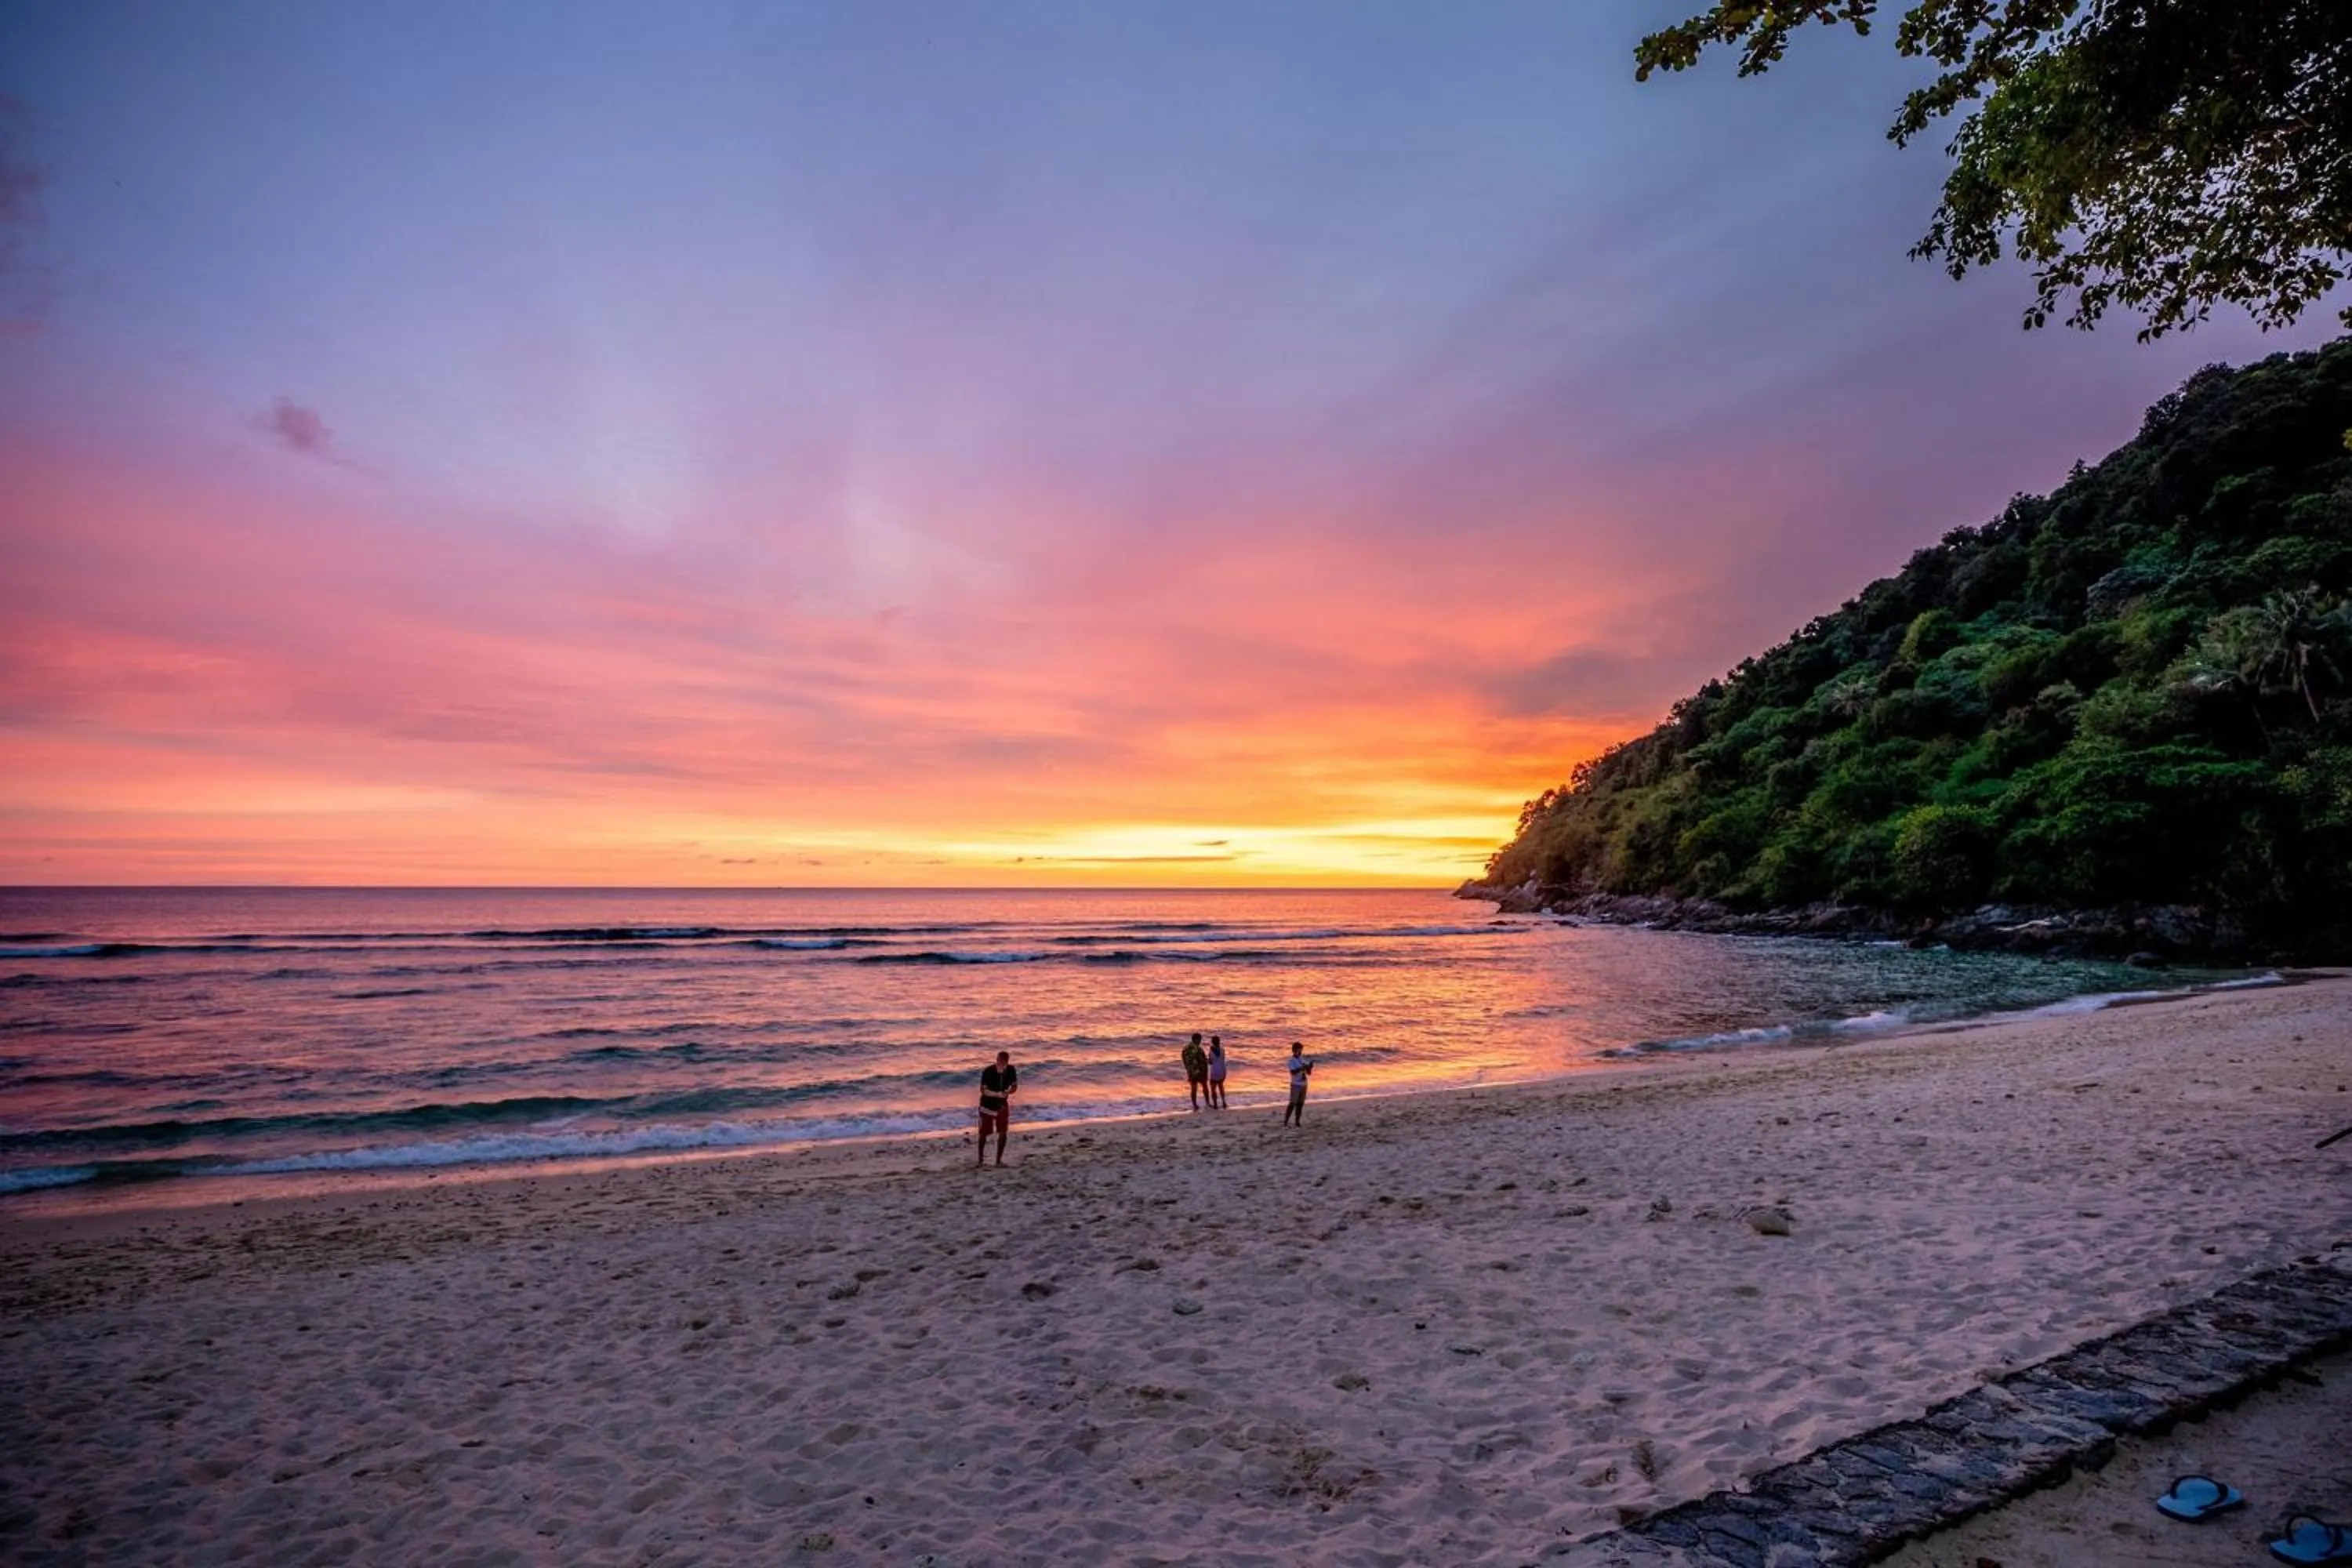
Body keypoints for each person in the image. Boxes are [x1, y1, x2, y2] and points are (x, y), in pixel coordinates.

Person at [977, 1050, 1018, 1167]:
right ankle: (980, 1161)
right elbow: (983, 1090)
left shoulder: (1011, 1070)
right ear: (997, 1060)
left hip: (1002, 1105)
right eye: (1000, 1062)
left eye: (1004, 1063)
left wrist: (1008, 1091)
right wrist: (997, 1094)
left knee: (1003, 1132)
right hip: (987, 1105)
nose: (1002, 1065)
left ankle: (998, 1161)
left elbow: (1015, 1086)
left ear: (1007, 1062)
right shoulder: (988, 1071)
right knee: (984, 1133)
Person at [1281, 1040, 1313, 1127]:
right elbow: (1293, 1072)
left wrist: (1309, 1067)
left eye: (1301, 1051)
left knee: (1300, 1104)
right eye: (1298, 1051)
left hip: (1303, 1084)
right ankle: (1286, 1121)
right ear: (1294, 1051)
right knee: (1292, 1103)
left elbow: (1309, 1073)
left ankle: (1297, 1121)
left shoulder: (1302, 1059)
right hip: (1295, 1084)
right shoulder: (1291, 1061)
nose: (1300, 1052)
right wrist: (1301, 1068)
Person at [1181, 1032, 1209, 1110]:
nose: (1200, 1042)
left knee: (1194, 1088)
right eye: (1199, 1040)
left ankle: (1195, 1105)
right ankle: (1207, 1103)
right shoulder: (1197, 1048)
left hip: (1191, 1071)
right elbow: (1201, 1060)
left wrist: (1188, 1068)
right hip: (1199, 1070)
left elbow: (1184, 1059)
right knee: (1204, 1086)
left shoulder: (1185, 1048)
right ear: (1196, 1040)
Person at [1206, 1036, 1228, 1109]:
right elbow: (1222, 1059)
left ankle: (1215, 1105)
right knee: (1221, 1086)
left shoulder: (1211, 1050)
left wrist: (1206, 1060)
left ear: (1212, 1042)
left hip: (1215, 1070)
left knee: (1213, 1088)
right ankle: (1224, 1102)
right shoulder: (1222, 1049)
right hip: (1222, 1069)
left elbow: (1211, 1062)